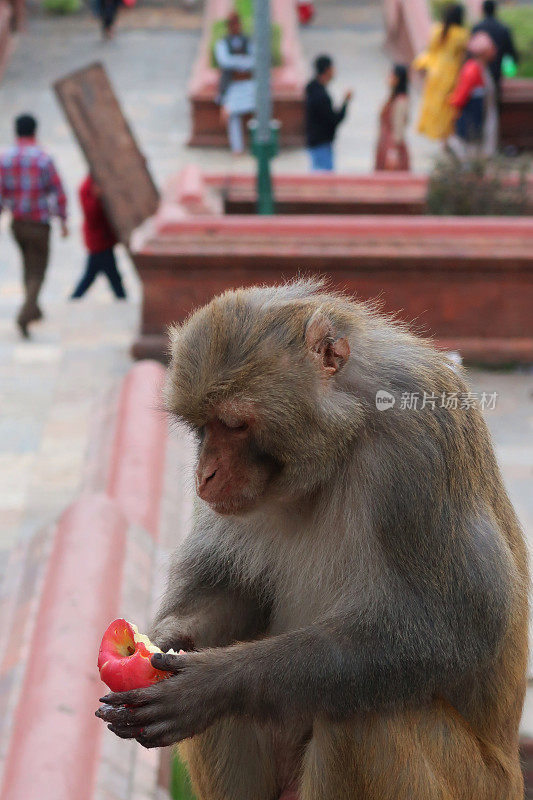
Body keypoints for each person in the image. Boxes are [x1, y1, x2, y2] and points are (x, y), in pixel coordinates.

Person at [0, 114, 68, 338]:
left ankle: (34, 308)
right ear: (34, 131)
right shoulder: (43, 159)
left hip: (18, 223)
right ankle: (26, 314)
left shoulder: (6, 158)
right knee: (38, 270)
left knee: (28, 265)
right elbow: (57, 192)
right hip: (39, 223)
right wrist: (63, 220)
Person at [413, 4, 469, 141]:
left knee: (432, 102)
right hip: (450, 72)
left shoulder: (437, 29)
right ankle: (443, 133)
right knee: (446, 105)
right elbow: (462, 56)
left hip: (434, 70)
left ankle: (430, 130)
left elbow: (430, 50)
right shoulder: (461, 34)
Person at [70, 174, 126, 300]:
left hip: (103, 239)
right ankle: (73, 300)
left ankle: (73, 299)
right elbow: (92, 217)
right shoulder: (87, 188)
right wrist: (98, 198)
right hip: (98, 240)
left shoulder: (99, 183)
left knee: (95, 276)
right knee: (109, 277)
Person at [448, 32, 498, 161]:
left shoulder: (481, 68)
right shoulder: (473, 69)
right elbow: (461, 95)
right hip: (473, 118)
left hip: (483, 116)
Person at [214, 11, 255, 155]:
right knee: (232, 114)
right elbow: (225, 62)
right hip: (232, 85)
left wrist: (239, 62)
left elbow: (254, 61)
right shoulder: (222, 43)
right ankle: (237, 148)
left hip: (248, 84)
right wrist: (241, 62)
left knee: (259, 110)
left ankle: (256, 145)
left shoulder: (247, 41)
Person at [305, 55, 353, 172]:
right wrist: (345, 102)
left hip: (314, 141)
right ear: (327, 70)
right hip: (322, 143)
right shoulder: (321, 96)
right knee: (323, 180)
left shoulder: (312, 89)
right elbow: (334, 119)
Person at [472, 0, 520, 95]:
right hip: (496, 70)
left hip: (478, 72)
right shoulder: (503, 28)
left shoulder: (477, 28)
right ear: (495, 10)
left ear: (483, 10)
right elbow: (511, 52)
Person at [375, 64, 410, 171]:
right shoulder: (393, 98)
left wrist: (392, 152)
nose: (389, 77)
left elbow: (398, 130)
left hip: (391, 147)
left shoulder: (401, 101)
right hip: (386, 144)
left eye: (392, 75)